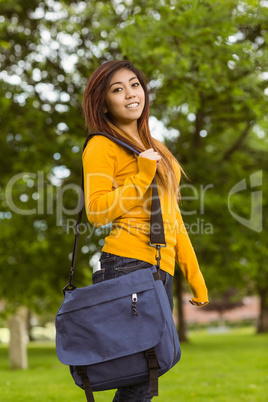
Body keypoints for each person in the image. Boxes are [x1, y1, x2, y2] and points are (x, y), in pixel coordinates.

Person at [82, 60, 209, 401]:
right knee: (144, 370)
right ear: (103, 102)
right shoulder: (101, 146)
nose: (129, 94)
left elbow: (173, 217)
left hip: (158, 267)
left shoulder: (156, 149)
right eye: (117, 89)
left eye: (134, 84)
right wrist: (140, 175)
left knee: (154, 365)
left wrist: (193, 274)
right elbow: (96, 211)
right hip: (127, 263)